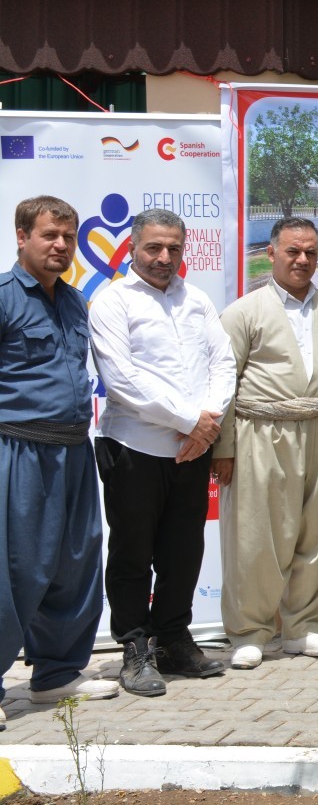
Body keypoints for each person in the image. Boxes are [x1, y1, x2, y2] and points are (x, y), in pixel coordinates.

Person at [88, 208, 236, 696]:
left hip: (192, 451)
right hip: (133, 447)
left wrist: (207, 422)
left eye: (174, 248)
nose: (164, 257)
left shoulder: (196, 301)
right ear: (133, 247)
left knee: (183, 551)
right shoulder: (111, 302)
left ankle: (173, 639)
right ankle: (134, 649)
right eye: (154, 247)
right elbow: (121, 381)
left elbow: (223, 362)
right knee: (132, 553)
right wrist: (189, 421)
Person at [210, 216, 318, 670]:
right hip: (261, 433)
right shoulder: (243, 312)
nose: (302, 260)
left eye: (311, 252)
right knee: (257, 538)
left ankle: (304, 627)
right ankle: (250, 631)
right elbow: (223, 384)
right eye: (293, 251)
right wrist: (225, 448)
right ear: (270, 252)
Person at [1, 195, 119, 726]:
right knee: (15, 570)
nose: (61, 246)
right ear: (21, 237)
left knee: (75, 564)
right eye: (49, 235)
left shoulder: (75, 301)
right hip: (18, 450)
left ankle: (57, 674)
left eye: (68, 237)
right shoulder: (4, 299)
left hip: (73, 449)